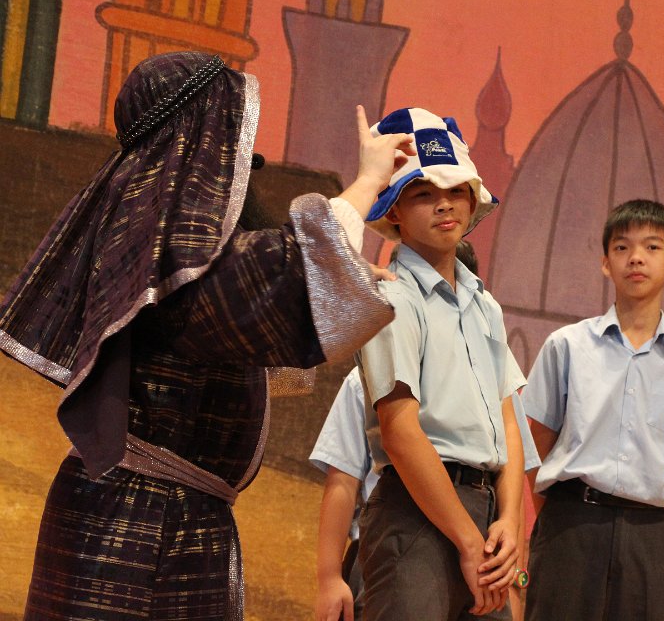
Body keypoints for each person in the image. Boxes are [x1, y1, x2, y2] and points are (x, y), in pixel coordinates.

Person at [0, 50, 412, 620]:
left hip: (161, 516)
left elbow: (262, 293)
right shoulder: (163, 237)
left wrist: (341, 267)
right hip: (138, 528)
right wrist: (366, 185)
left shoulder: (153, 226)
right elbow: (272, 284)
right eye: (232, 132)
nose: (244, 156)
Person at [310, 241, 542, 621]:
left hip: (485, 524)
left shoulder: (488, 339)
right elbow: (344, 476)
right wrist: (329, 576)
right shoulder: (372, 361)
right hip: (409, 518)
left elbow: (510, 455)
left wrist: (510, 536)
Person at [355, 107, 527, 620]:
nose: (444, 203)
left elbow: (508, 422)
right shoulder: (393, 297)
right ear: (394, 212)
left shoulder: (486, 305)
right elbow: (400, 431)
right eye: (423, 193)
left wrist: (510, 521)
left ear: (473, 199)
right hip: (416, 515)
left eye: (455, 189)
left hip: (485, 516)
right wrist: (468, 541)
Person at [521, 199, 664, 620]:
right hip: (571, 524)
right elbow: (534, 447)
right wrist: (563, 516)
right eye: (622, 247)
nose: (636, 257)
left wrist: (662, 523)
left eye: (651, 247)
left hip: (653, 534)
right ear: (605, 263)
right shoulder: (567, 345)